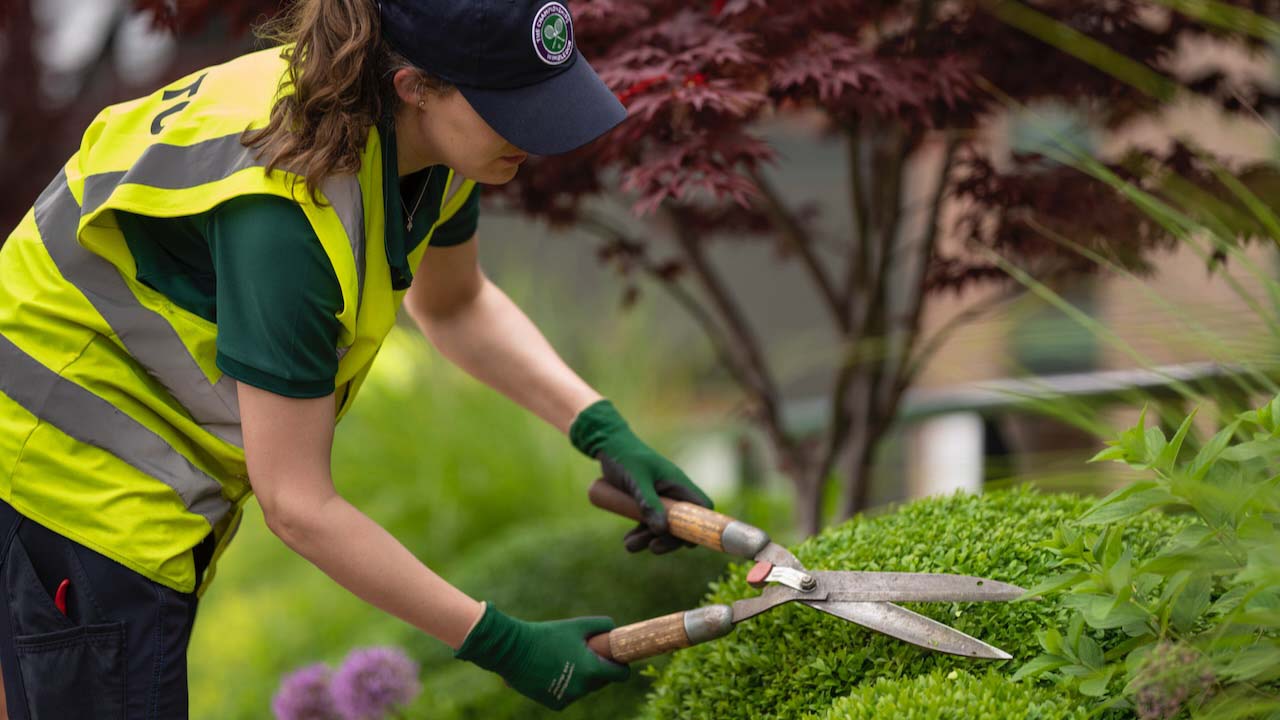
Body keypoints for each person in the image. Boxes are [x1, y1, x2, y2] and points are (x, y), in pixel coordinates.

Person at [0, 0, 715, 716]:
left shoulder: (427, 141)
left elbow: (455, 305)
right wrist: (501, 641)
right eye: (511, 106)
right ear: (414, 85)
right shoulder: (286, 212)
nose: (537, 135)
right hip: (62, 482)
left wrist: (602, 429)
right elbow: (300, 505)